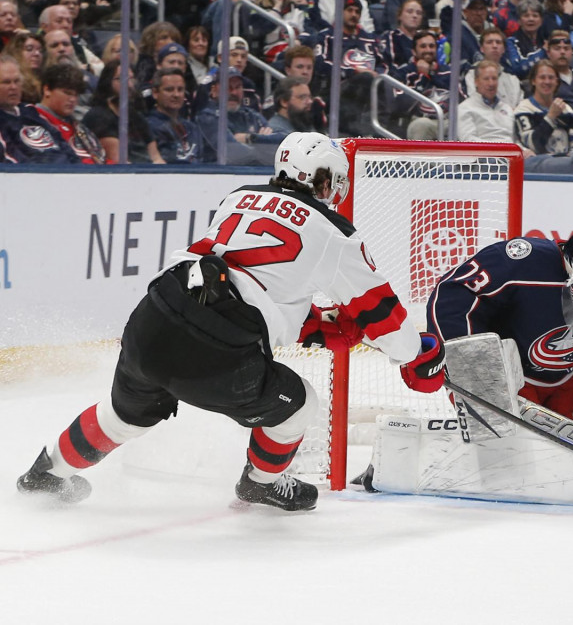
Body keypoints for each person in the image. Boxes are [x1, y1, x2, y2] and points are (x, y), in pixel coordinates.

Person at [16, 132, 447, 511]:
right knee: (299, 405)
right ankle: (261, 485)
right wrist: (416, 355)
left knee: (122, 418)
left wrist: (314, 325)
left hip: (153, 318)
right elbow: (382, 315)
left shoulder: (237, 197)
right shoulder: (334, 233)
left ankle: (46, 473)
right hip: (215, 355)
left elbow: (244, 282)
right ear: (322, 179)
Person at [358, 216, 573, 504]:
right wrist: (471, 363)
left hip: (564, 379)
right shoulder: (524, 262)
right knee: (510, 460)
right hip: (510, 379)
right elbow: (452, 292)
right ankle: (398, 460)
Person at [82, 59, 164, 164]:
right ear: (107, 82)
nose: (129, 85)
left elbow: (156, 157)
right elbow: (119, 162)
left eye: (131, 79)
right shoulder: (99, 116)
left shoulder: (136, 116)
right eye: (121, 79)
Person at [146, 67, 204, 165]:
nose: (176, 94)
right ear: (155, 93)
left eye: (180, 89)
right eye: (169, 90)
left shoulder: (192, 128)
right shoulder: (147, 127)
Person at [457, 59, 517, 142]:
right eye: (486, 79)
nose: (491, 83)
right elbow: (468, 141)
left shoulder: (507, 108)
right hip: (484, 153)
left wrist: (525, 151)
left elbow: (516, 141)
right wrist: (499, 148)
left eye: (494, 78)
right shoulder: (464, 108)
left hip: (511, 152)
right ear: (476, 82)